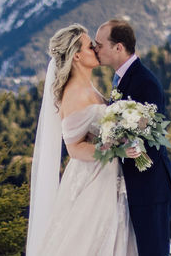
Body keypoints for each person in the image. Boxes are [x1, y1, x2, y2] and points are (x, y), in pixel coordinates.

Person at [26, 24, 138, 255]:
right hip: (92, 179)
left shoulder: (87, 86)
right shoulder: (74, 94)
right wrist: (114, 150)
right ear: (76, 55)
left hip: (108, 174)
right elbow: (75, 148)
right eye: (90, 46)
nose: (96, 49)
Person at [94, 19, 171, 256]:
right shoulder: (123, 78)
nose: (95, 49)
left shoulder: (145, 82)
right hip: (134, 186)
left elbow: (152, 137)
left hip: (150, 188)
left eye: (99, 45)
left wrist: (122, 146)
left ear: (118, 47)